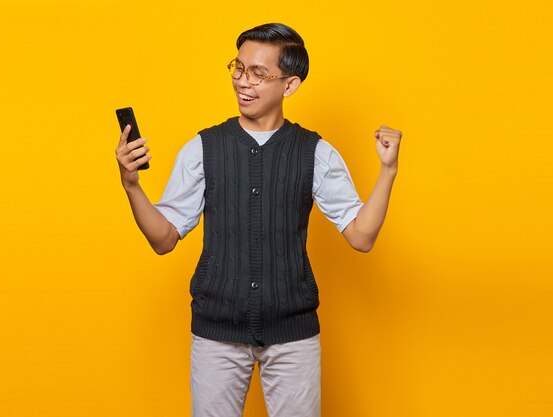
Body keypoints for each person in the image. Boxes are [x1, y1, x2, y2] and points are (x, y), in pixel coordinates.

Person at [115, 22, 402, 417]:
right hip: (216, 335)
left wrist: (387, 171)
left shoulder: (315, 152)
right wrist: (131, 185)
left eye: (258, 73)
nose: (242, 81)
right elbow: (163, 239)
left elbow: (362, 236)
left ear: (289, 85)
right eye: (238, 67)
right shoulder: (203, 148)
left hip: (293, 339)